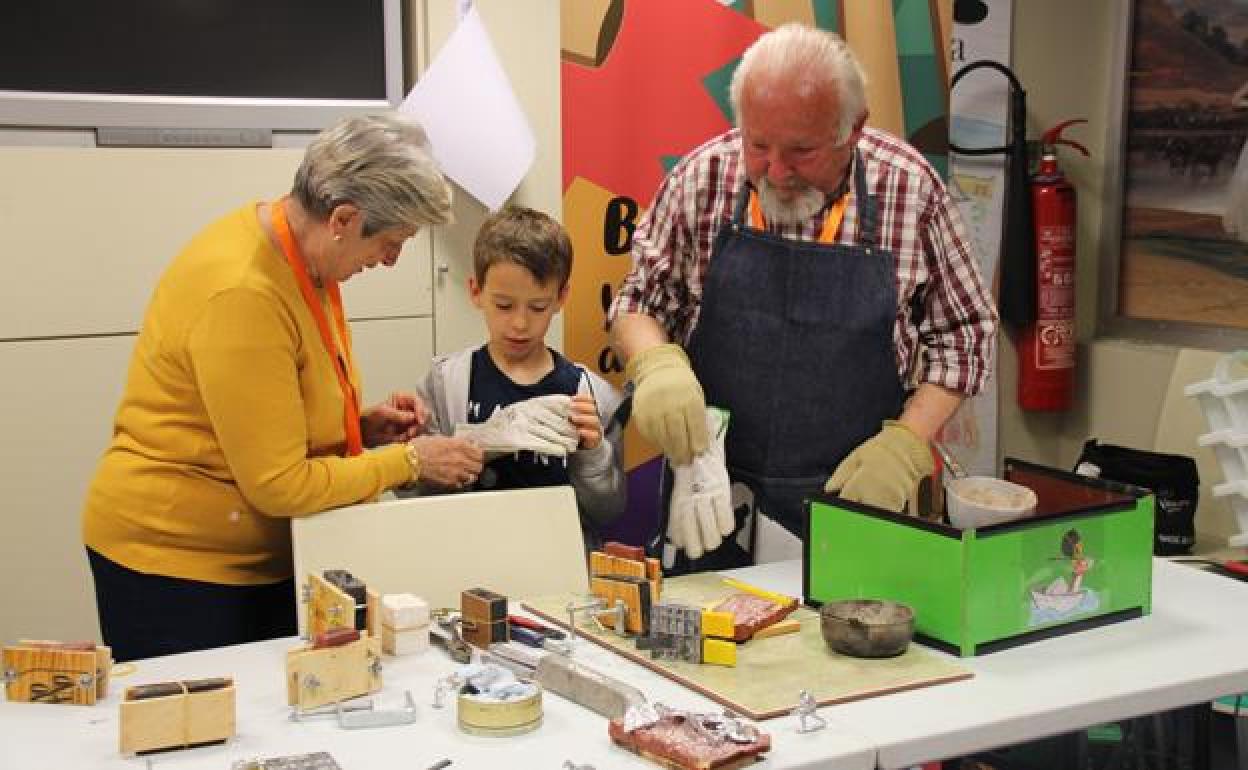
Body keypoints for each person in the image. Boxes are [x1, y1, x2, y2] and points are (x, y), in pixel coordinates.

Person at [82, 115, 485, 662]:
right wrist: (410, 461)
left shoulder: (302, 255)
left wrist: (357, 429)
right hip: (178, 564)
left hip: (257, 555)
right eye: (392, 242)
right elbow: (278, 485)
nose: (389, 262)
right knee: (205, 737)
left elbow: (265, 408)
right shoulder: (244, 292)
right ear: (344, 218)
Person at [608, 24, 998, 570]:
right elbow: (640, 301)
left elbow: (965, 334)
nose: (776, 171)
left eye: (802, 151)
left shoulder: (910, 189)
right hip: (714, 488)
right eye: (758, 144)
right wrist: (654, 364)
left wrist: (907, 444)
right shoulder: (704, 177)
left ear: (853, 129)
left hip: (856, 490)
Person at [407, 206, 626, 548]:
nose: (521, 324)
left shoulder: (592, 395)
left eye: (538, 307)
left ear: (561, 298)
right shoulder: (445, 384)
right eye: (504, 306)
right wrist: (427, 459)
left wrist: (593, 454)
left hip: (560, 571)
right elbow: (420, 501)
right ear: (476, 291)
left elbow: (608, 511)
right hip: (469, 562)